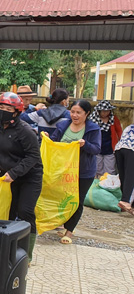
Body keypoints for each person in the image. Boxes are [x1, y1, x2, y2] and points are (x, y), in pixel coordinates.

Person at [0, 93, 43, 264]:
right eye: (1, 108)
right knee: (8, 212)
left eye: (8, 109)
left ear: (17, 111)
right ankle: (8, 249)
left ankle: (26, 254)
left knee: (25, 211)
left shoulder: (25, 131)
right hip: (6, 176)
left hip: (29, 176)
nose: (4, 111)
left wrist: (14, 173)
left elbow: (33, 156)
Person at [48, 100, 101, 244]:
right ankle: (64, 224)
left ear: (87, 114)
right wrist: (47, 139)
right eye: (72, 112)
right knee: (63, 198)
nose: (75, 115)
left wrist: (85, 144)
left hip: (83, 172)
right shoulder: (63, 125)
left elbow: (96, 149)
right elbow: (54, 141)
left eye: (78, 112)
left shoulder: (92, 129)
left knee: (77, 201)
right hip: (64, 170)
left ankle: (69, 232)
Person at [90, 100, 122, 177]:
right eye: (103, 111)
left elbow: (119, 131)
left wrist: (121, 142)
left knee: (110, 169)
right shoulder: (93, 119)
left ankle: (108, 184)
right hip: (97, 148)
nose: (105, 113)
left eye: (107, 111)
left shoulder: (113, 119)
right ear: (99, 111)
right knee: (97, 168)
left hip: (110, 147)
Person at [116, 124, 134, 215]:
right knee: (130, 175)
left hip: (119, 149)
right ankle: (126, 201)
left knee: (124, 176)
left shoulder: (130, 126)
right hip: (131, 149)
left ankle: (125, 203)